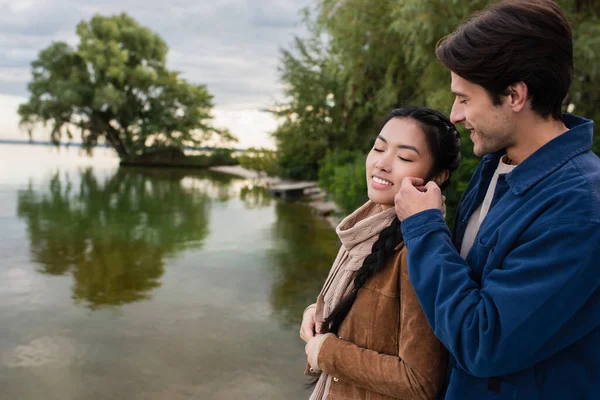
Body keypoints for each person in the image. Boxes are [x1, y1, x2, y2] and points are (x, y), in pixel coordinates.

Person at [394, 1, 600, 399]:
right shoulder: (497, 165)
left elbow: (481, 342)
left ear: (514, 95)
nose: (454, 114)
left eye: (465, 99)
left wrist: (423, 228)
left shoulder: (580, 210)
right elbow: (455, 293)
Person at [300, 106, 461, 400]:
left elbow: (420, 382)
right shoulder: (363, 230)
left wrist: (327, 352)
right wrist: (319, 312)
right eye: (378, 148)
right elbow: (369, 317)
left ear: (437, 177)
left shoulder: (419, 255)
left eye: (404, 157)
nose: (382, 164)